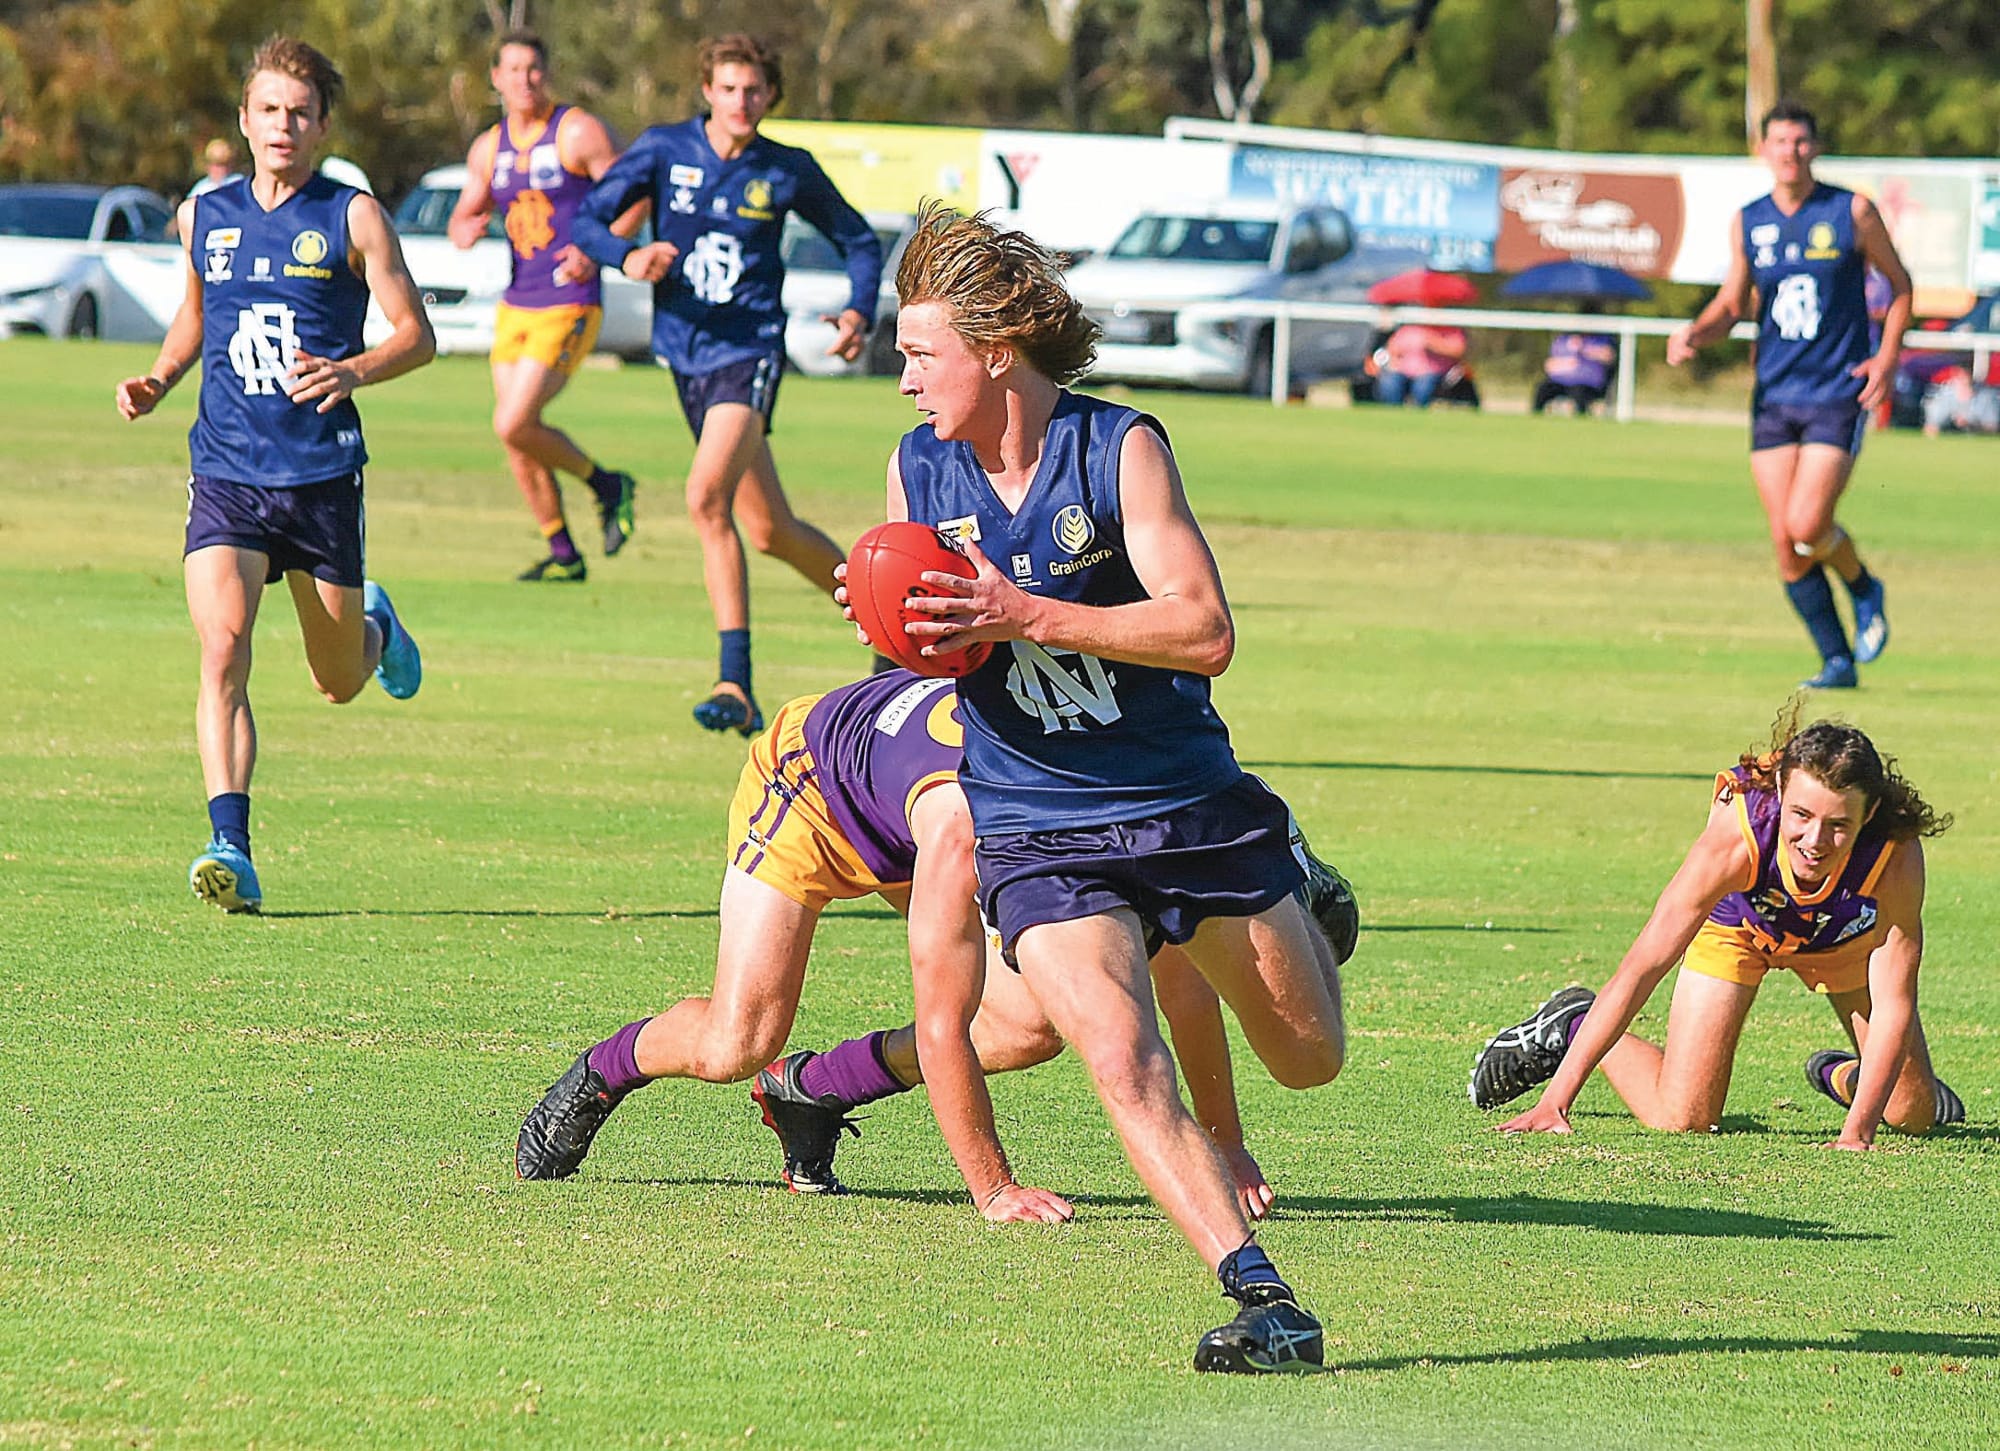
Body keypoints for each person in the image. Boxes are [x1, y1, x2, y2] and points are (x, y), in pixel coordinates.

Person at [855, 203, 1347, 1373]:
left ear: (991, 349)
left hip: (1183, 800)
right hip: (1034, 817)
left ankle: (1296, 876)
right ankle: (1264, 1299)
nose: (902, 375)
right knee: (1120, 1058)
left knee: (1308, 1054)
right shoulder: (914, 466)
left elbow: (1205, 628)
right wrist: (893, 619)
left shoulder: (1117, 446)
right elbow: (927, 641)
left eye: (919, 352)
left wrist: (1022, 609)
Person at [514, 668, 1356, 1225]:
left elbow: (1180, 975)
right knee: (740, 1038)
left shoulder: (1092, 785)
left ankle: (811, 1088)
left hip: (915, 807)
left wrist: (1227, 1139)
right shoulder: (963, 824)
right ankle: (604, 1069)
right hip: (808, 787)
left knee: (1028, 1026)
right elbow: (941, 1016)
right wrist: (993, 1188)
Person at [114, 36, 435, 913]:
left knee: (337, 682)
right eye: (269, 111)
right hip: (225, 468)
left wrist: (354, 370)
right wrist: (159, 379)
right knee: (223, 646)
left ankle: (376, 626)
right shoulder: (203, 214)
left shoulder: (354, 215)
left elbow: (417, 333)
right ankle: (230, 843)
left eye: (301, 112)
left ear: (323, 123)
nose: (284, 126)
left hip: (322, 477)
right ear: (246, 121)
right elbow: (195, 317)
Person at [572, 33, 882, 735]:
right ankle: (885, 620)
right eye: (729, 88)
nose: (742, 102)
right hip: (685, 356)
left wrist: (860, 307)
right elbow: (585, 222)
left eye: (755, 91)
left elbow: (859, 240)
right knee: (770, 529)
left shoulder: (786, 169)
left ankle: (735, 682)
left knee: (705, 496)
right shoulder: (662, 150)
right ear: (707, 91)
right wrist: (628, 253)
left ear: (770, 97)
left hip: (750, 352)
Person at [1470, 714, 1963, 1147]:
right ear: (1780, 794)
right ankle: (1575, 1020)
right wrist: (1557, 1102)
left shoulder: (1893, 855)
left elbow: (1896, 999)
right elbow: (1645, 965)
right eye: (1801, 815)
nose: (1815, 841)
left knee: (1912, 1114)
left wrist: (1856, 1135)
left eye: (1838, 824)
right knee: (1683, 1118)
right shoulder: (1737, 835)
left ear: (1869, 814)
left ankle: (1841, 1075)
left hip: (1842, 936)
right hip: (1740, 927)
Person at [1667, 101, 1911, 691]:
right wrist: (1697, 332)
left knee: (1807, 523)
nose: (1789, 152)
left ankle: (1863, 587)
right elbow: (1732, 304)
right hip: (1775, 394)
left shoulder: (1851, 211)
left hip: (1835, 391)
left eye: (1800, 141)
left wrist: (1886, 358)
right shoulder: (1749, 219)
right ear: (1762, 150)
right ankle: (1837, 661)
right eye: (1779, 142)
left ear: (1816, 148)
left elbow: (1900, 288)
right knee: (1786, 544)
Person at [448, 30, 639, 583]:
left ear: (546, 73)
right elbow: (466, 212)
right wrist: (465, 228)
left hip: (570, 300)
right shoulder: (489, 146)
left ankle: (606, 484)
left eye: (533, 69)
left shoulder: (577, 131)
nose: (524, 80)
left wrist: (598, 251)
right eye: (512, 70)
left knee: (513, 421)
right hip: (517, 302)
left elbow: (634, 197)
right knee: (516, 435)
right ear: (496, 79)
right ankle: (563, 552)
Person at [1376, 322, 1468, 407]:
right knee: (1389, 382)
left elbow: (1458, 351)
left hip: (1433, 373)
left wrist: (1434, 345)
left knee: (1423, 387)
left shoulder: (1450, 330)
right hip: (1403, 371)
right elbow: (1392, 348)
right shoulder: (1409, 328)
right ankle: (1394, 412)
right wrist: (1394, 362)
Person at [1532, 329, 1616, 415]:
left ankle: (1581, 419)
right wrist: (1568, 363)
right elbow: (1549, 365)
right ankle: (1535, 416)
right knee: (1543, 388)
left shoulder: (1601, 340)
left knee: (1579, 393)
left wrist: (1583, 349)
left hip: (1586, 385)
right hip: (1561, 382)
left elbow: (1608, 356)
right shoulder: (1562, 341)